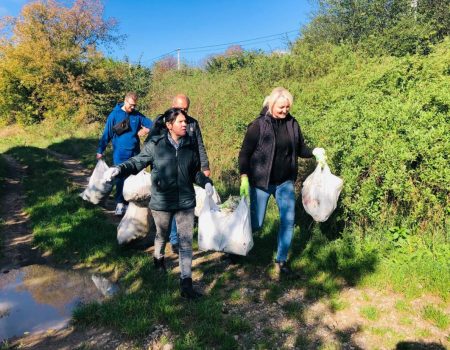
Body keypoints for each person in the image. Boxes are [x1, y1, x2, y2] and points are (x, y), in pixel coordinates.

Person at [104, 107, 213, 299]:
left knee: (186, 242)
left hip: (186, 201)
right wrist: (118, 169)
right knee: (161, 235)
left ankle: (186, 284)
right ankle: (158, 258)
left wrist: (206, 183)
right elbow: (137, 162)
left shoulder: (189, 145)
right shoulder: (156, 144)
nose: (185, 124)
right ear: (169, 125)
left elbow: (194, 171)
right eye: (181, 122)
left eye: (186, 122)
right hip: (162, 201)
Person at [238, 87, 326, 277]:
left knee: (288, 220)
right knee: (256, 223)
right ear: (271, 104)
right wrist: (244, 177)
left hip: (285, 181)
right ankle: (234, 247)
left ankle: (282, 260)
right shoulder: (258, 125)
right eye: (281, 107)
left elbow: (300, 148)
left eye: (287, 107)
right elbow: (244, 153)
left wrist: (314, 152)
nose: (285, 110)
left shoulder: (293, 124)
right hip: (261, 181)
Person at [147, 94, 211, 255]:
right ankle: (170, 239)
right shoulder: (161, 121)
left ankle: (178, 240)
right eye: (180, 109)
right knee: (170, 204)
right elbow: (150, 143)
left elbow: (199, 146)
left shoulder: (193, 124)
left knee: (182, 202)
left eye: (186, 109)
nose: (184, 112)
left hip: (187, 167)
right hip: (165, 169)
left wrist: (204, 166)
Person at [96, 92, 153, 215]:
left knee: (134, 179)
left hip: (135, 153)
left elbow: (153, 125)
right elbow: (107, 134)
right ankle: (120, 204)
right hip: (120, 153)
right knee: (121, 178)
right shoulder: (114, 115)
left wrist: (146, 129)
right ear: (125, 101)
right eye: (131, 105)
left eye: (135, 105)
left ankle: (132, 205)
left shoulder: (137, 115)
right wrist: (100, 150)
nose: (133, 108)